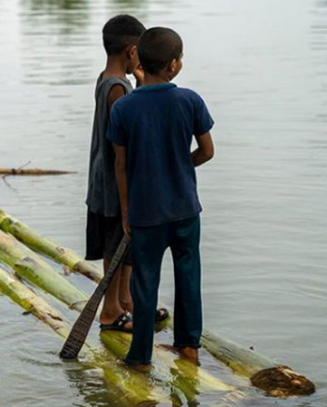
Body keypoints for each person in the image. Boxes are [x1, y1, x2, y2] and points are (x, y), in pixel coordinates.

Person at [107, 27, 215, 365]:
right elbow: (207, 151)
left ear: (140, 59)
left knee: (145, 283)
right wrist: (182, 167)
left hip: (145, 211)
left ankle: (140, 355)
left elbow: (121, 166)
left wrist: (126, 211)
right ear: (172, 65)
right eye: (180, 58)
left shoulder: (124, 108)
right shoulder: (190, 100)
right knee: (188, 276)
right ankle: (188, 347)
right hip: (184, 209)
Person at [85, 15, 169, 333]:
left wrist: (136, 77)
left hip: (104, 179)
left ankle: (128, 303)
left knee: (125, 245)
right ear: (133, 51)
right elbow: (134, 131)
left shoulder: (108, 79)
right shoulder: (118, 88)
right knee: (115, 247)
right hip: (113, 183)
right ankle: (110, 312)